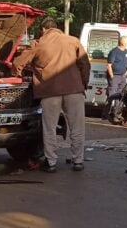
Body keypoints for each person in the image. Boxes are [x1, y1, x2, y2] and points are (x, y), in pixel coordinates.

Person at [12, 17, 91, 172]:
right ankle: (78, 161)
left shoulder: (38, 43)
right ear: (57, 28)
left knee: (50, 128)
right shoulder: (73, 41)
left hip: (49, 92)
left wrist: (17, 74)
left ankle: (51, 162)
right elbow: (85, 65)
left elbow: (17, 63)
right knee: (77, 127)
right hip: (74, 90)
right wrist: (83, 84)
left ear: (43, 29)